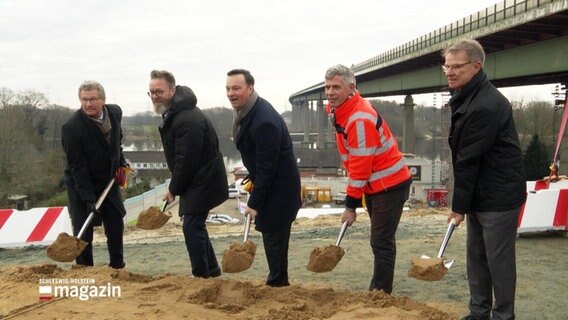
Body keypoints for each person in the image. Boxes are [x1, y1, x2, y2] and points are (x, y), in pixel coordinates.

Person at [443, 39, 527, 320]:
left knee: (498, 261)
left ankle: (503, 316)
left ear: (476, 66)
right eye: (447, 66)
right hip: (481, 192)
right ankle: (478, 312)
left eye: (457, 66)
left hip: (499, 196)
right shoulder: (468, 96)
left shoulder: (486, 105)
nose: (450, 72)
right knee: (476, 257)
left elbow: (468, 159)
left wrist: (458, 207)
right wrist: (465, 203)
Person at [324, 64, 412, 294]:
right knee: (383, 239)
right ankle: (381, 290)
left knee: (380, 241)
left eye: (336, 87)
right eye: (327, 87)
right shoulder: (341, 112)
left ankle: (380, 294)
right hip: (377, 185)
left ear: (351, 88)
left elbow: (361, 166)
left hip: (389, 185)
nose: (330, 92)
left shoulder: (359, 118)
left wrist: (351, 206)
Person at [226, 69, 301, 287]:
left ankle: (278, 283)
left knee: (274, 236)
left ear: (250, 88)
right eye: (228, 88)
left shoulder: (263, 121)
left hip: (279, 189)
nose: (231, 93)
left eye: (236, 88)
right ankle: (277, 279)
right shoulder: (247, 111)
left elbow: (268, 168)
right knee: (272, 234)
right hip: (271, 184)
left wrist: (254, 203)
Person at [149, 70, 227, 278]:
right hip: (197, 178)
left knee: (191, 225)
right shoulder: (175, 113)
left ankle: (201, 276)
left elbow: (186, 159)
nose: (155, 96)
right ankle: (212, 270)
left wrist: (174, 188)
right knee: (195, 224)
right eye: (151, 92)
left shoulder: (186, 118)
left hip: (204, 178)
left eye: (159, 91)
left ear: (172, 90)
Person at [61, 80, 128, 269]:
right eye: (84, 100)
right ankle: (84, 269)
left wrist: (120, 161)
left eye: (92, 99)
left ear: (103, 100)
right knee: (83, 230)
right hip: (81, 183)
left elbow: (116, 141)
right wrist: (88, 199)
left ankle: (117, 264)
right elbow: (77, 167)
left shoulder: (115, 113)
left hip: (108, 180)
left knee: (115, 221)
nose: (88, 104)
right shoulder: (71, 128)